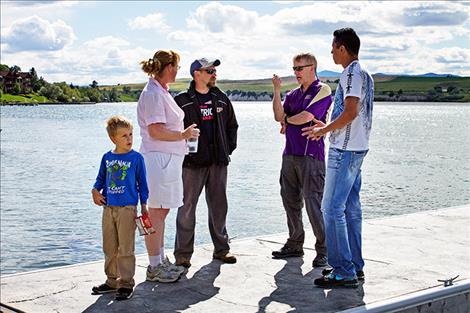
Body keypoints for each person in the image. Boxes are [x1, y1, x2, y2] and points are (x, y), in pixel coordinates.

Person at [302, 28, 374, 288]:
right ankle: (355, 265)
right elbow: (351, 115)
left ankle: (343, 271)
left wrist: (323, 130)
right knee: (351, 209)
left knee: (331, 208)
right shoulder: (364, 74)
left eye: (333, 47)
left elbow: (351, 111)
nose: (331, 51)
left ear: (343, 48)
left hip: (344, 151)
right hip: (357, 148)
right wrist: (329, 124)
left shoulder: (352, 73)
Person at [137, 50, 200, 282]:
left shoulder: (160, 91)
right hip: (158, 160)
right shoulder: (153, 93)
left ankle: (160, 260)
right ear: (165, 67)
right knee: (156, 213)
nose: (177, 70)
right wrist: (183, 134)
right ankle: (154, 265)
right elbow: (155, 130)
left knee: (160, 212)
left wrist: (183, 136)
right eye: (175, 66)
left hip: (165, 159)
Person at [173, 58, 238, 268]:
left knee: (219, 206)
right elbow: (173, 131)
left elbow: (232, 126)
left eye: (215, 70)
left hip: (218, 162)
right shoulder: (182, 101)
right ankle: (183, 255)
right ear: (196, 74)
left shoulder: (221, 98)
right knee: (187, 207)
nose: (214, 74)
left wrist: (226, 149)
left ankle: (222, 249)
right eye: (209, 70)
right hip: (191, 164)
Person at [271, 53, 332, 268]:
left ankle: (324, 250)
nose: (296, 72)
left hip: (311, 155)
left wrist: (288, 120)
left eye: (299, 68)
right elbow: (279, 116)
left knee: (313, 202)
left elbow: (306, 116)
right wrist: (277, 90)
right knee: (290, 199)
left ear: (312, 67)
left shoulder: (322, 89)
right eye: (294, 68)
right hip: (290, 153)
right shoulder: (293, 94)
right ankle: (295, 243)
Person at [91, 115, 149, 301]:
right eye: (124, 136)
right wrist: (95, 191)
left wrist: (144, 205)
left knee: (126, 248)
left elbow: (142, 184)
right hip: (108, 209)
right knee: (109, 247)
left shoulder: (136, 158)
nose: (129, 139)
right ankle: (111, 281)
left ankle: (125, 283)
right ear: (113, 138)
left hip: (127, 209)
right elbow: (100, 179)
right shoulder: (107, 158)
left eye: (131, 134)